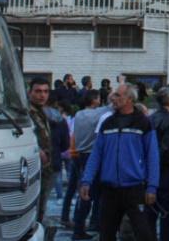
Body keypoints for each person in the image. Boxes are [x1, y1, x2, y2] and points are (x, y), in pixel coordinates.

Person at [79, 83, 158, 241]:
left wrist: (152, 186)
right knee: (106, 235)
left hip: (135, 189)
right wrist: (86, 180)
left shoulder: (143, 123)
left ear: (129, 99)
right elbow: (96, 154)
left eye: (117, 95)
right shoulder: (107, 123)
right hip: (109, 190)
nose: (112, 98)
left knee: (145, 234)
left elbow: (153, 156)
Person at [71, 91, 111, 239]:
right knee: (89, 194)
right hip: (91, 155)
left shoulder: (79, 114)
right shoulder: (95, 114)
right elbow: (110, 107)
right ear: (94, 100)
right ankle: (81, 228)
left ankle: (80, 225)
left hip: (80, 154)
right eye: (98, 98)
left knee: (84, 192)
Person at [148, 87, 169, 241]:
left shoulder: (152, 118)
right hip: (166, 169)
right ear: (167, 100)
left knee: (152, 209)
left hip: (154, 170)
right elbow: (164, 149)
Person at [28, 78, 54, 223]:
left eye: (45, 91)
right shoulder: (26, 112)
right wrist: (36, 149)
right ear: (29, 92)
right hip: (33, 168)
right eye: (38, 91)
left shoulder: (42, 112)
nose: (42, 95)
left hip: (45, 168)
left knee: (41, 208)